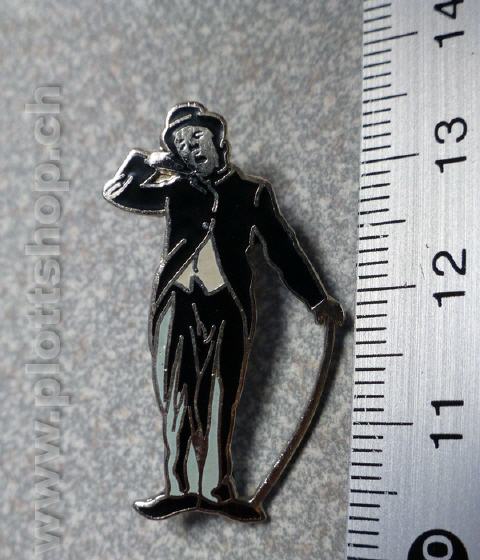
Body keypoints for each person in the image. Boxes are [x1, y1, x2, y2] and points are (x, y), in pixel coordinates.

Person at [103, 102, 343, 522]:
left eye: (196, 136)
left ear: (218, 140)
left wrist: (318, 299)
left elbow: (282, 250)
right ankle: (179, 489)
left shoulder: (251, 193)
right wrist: (149, 161)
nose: (190, 147)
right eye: (180, 143)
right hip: (177, 301)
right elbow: (119, 191)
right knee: (176, 394)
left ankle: (216, 491)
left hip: (226, 303)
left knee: (220, 393)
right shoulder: (175, 189)